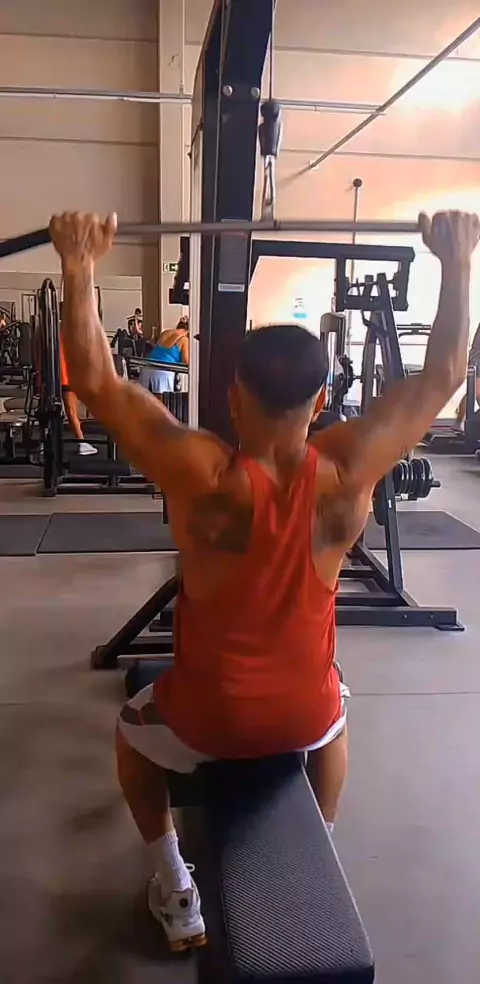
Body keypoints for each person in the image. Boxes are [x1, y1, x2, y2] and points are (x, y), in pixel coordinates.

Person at [49, 208, 479, 951]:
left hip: (207, 719)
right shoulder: (349, 468)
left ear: (232, 397)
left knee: (128, 735)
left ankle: (176, 889)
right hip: (303, 716)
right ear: (321, 401)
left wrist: (80, 262)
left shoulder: (199, 473)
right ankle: (321, 849)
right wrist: (458, 259)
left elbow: (94, 379)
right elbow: (443, 375)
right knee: (336, 706)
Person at [59, 335, 97, 455]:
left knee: (70, 411)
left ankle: (81, 441)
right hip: (66, 377)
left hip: (65, 376)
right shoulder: (65, 335)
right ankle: (81, 442)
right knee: (71, 411)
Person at [139, 318, 189, 395]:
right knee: (161, 401)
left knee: (144, 399)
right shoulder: (184, 339)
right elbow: (186, 362)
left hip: (147, 369)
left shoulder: (165, 333)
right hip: (163, 374)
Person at [455, 320, 480, 427]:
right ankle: (459, 421)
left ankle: (460, 421)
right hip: (477, 357)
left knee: (473, 392)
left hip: (476, 356)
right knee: (474, 392)